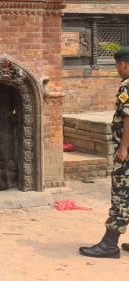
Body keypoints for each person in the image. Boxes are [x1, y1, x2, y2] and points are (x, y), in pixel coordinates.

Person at [79, 47, 129, 259]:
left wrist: (124, 148)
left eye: (119, 65)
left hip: (127, 152)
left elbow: (128, 118)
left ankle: (110, 244)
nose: (118, 69)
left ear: (124, 65)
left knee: (121, 195)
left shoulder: (127, 86)